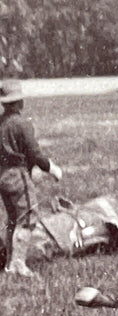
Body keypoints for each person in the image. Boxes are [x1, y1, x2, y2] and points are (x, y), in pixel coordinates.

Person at [0, 79, 63, 277]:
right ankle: (18, 264)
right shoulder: (22, 124)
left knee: (13, 219)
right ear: (20, 102)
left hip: (2, 175)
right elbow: (35, 154)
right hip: (17, 175)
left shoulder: (1, 123)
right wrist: (51, 168)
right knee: (27, 219)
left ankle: (10, 262)